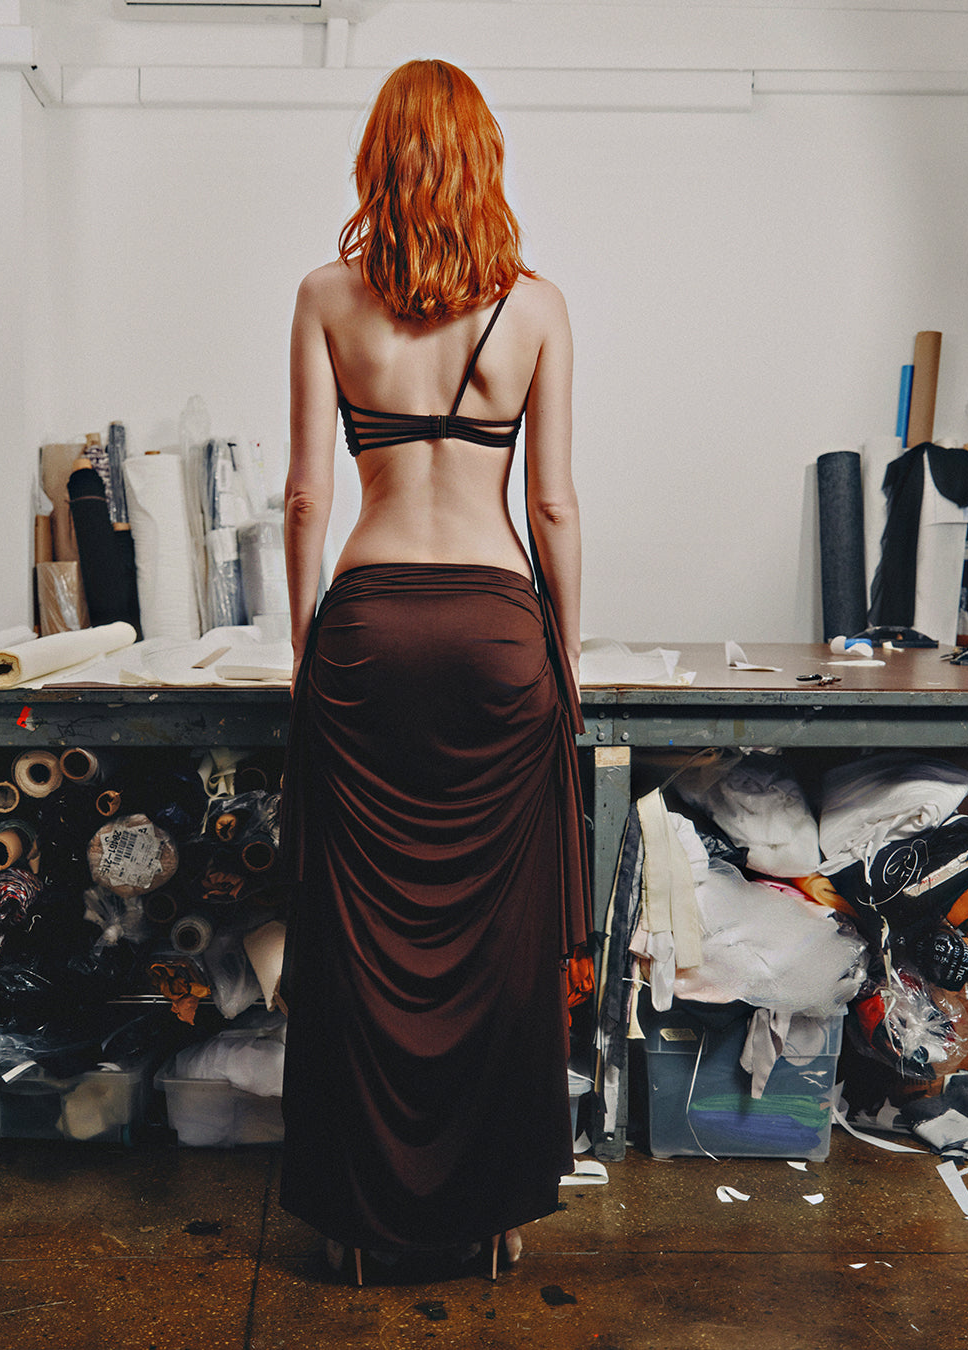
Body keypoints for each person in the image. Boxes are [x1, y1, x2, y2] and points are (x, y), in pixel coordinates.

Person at [278, 58, 591, 1285]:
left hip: (368, 636)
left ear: (379, 160)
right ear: (483, 161)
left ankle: (360, 1220)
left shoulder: (324, 296)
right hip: (496, 634)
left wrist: (303, 647)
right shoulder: (537, 308)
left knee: (357, 944)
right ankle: (495, 1210)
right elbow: (552, 505)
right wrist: (565, 654)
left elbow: (306, 497)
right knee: (503, 945)